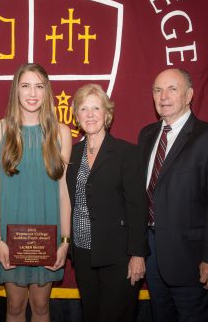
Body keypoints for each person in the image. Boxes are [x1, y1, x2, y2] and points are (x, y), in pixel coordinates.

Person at [138, 68, 208, 322]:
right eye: (158, 90)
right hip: (152, 256)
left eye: (172, 89)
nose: (164, 96)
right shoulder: (147, 135)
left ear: (189, 95)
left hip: (194, 261)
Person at [0, 63, 72, 322]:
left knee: (41, 306)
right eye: (25, 86)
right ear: (16, 91)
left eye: (39, 86)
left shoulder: (61, 132)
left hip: (48, 233)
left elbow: (64, 192)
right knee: (14, 306)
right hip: (9, 235)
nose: (32, 93)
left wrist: (65, 242)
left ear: (47, 91)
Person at [66, 83, 148, 322]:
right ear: (77, 115)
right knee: (91, 314)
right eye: (84, 108)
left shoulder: (126, 153)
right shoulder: (71, 154)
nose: (90, 114)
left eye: (96, 108)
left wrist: (138, 254)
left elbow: (137, 207)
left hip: (119, 255)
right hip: (82, 254)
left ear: (107, 113)